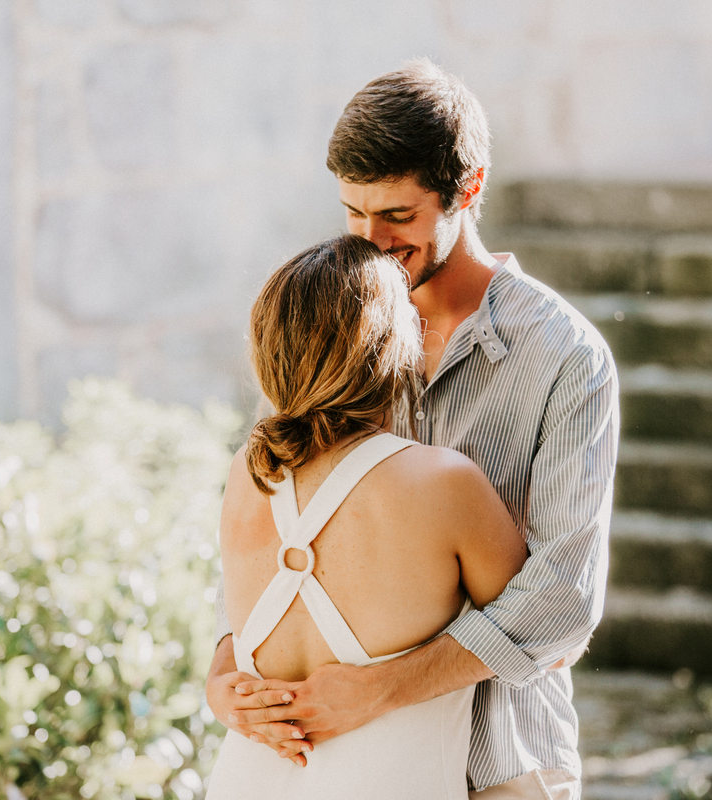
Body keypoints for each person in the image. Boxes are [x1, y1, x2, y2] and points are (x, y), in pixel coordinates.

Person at [206, 60, 619, 800]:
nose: (371, 240)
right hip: (336, 766)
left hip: (504, 759)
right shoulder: (332, 324)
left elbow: (562, 600)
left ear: (470, 189)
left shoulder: (566, 355)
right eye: (354, 213)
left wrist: (379, 689)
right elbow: (273, 506)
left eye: (398, 216)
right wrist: (223, 673)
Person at [205, 234, 528, 799]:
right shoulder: (444, 484)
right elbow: (537, 633)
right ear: (392, 345)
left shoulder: (248, 473)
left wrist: (219, 685)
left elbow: (234, 621)